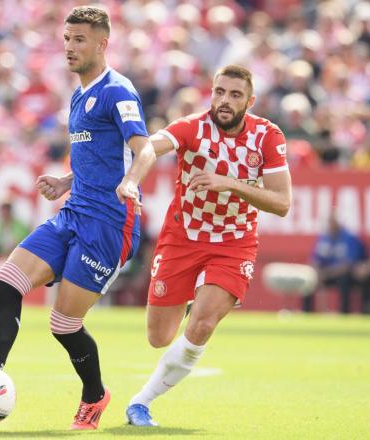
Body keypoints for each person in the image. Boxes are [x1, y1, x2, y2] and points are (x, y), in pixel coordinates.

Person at [0, 6, 156, 431]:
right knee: (3, 283)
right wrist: (68, 180)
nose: (70, 47)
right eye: (67, 39)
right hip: (73, 212)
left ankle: (95, 395)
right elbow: (103, 155)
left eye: (80, 40)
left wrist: (131, 183)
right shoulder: (79, 94)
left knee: (64, 323)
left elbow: (143, 149)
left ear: (103, 43)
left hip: (109, 224)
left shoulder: (118, 91)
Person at [125, 65, 292, 427]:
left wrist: (228, 183)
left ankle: (141, 402)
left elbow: (281, 202)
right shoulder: (191, 127)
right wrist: (112, 178)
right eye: (219, 92)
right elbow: (150, 149)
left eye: (234, 95)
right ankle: (194, 295)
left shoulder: (267, 136)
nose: (224, 101)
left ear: (250, 101)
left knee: (201, 325)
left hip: (235, 243)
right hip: (183, 237)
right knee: (159, 337)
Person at [309, 212, 365, 313]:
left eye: (333, 222)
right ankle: (307, 313)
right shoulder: (324, 238)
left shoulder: (349, 238)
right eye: (330, 222)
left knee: (344, 280)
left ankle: (344, 313)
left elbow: (348, 265)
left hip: (342, 275)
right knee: (309, 280)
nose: (331, 225)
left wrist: (327, 273)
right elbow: (315, 260)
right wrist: (317, 272)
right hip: (326, 274)